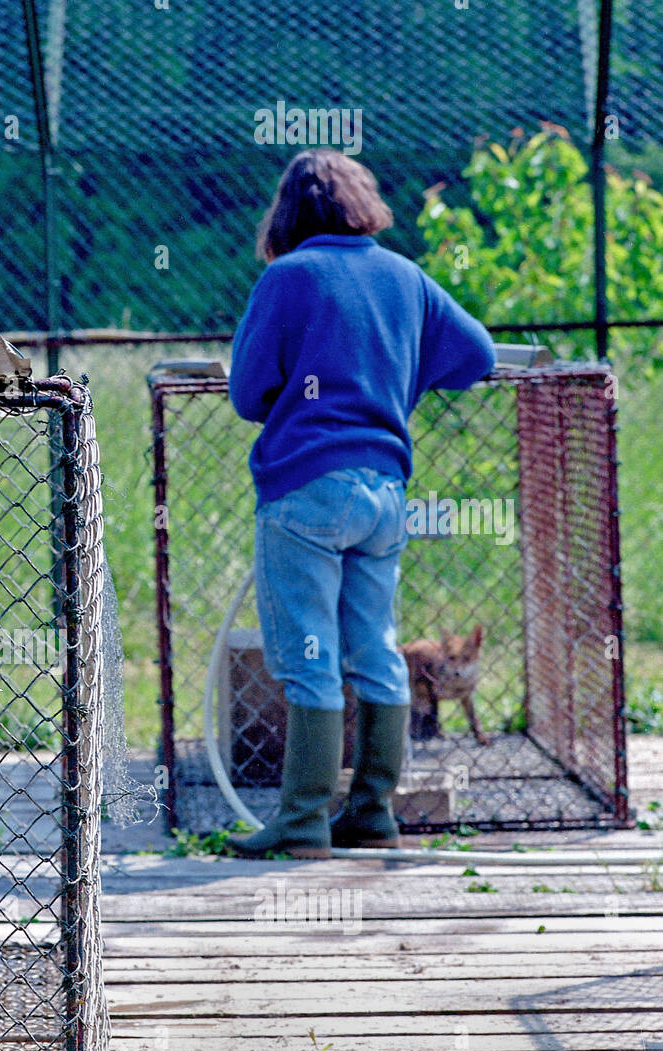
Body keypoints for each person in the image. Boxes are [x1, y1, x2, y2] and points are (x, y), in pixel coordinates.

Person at [226, 149, 494, 859]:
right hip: (384, 494)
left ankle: (304, 820)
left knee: (310, 649)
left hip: (307, 489)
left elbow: (248, 393)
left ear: (287, 215)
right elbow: (479, 355)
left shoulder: (288, 277)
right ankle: (373, 813)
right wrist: (392, 379)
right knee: (375, 647)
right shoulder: (404, 275)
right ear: (361, 202)